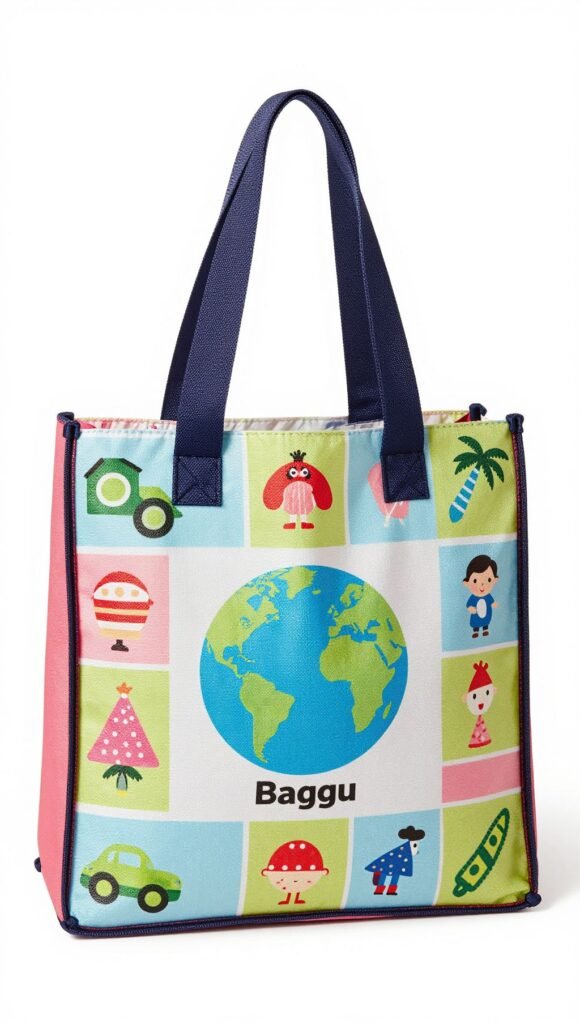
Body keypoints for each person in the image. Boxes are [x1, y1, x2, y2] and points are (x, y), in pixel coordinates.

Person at [365, 826, 425, 896]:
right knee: (387, 873)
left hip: (397, 861)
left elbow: (414, 850)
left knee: (395, 874)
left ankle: (389, 890)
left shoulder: (407, 848)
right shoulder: (405, 848)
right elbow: (414, 850)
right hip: (390, 862)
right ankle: (380, 890)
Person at [463, 555, 499, 638]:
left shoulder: (488, 596)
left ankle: (485, 629)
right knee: (476, 622)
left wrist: (493, 604)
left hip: (486, 615)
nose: (482, 584)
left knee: (486, 621)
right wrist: (471, 608)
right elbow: (469, 605)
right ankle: (475, 631)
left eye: (489, 580)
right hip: (476, 615)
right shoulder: (473, 597)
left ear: (495, 580)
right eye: (475, 581)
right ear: (467, 583)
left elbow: (491, 601)